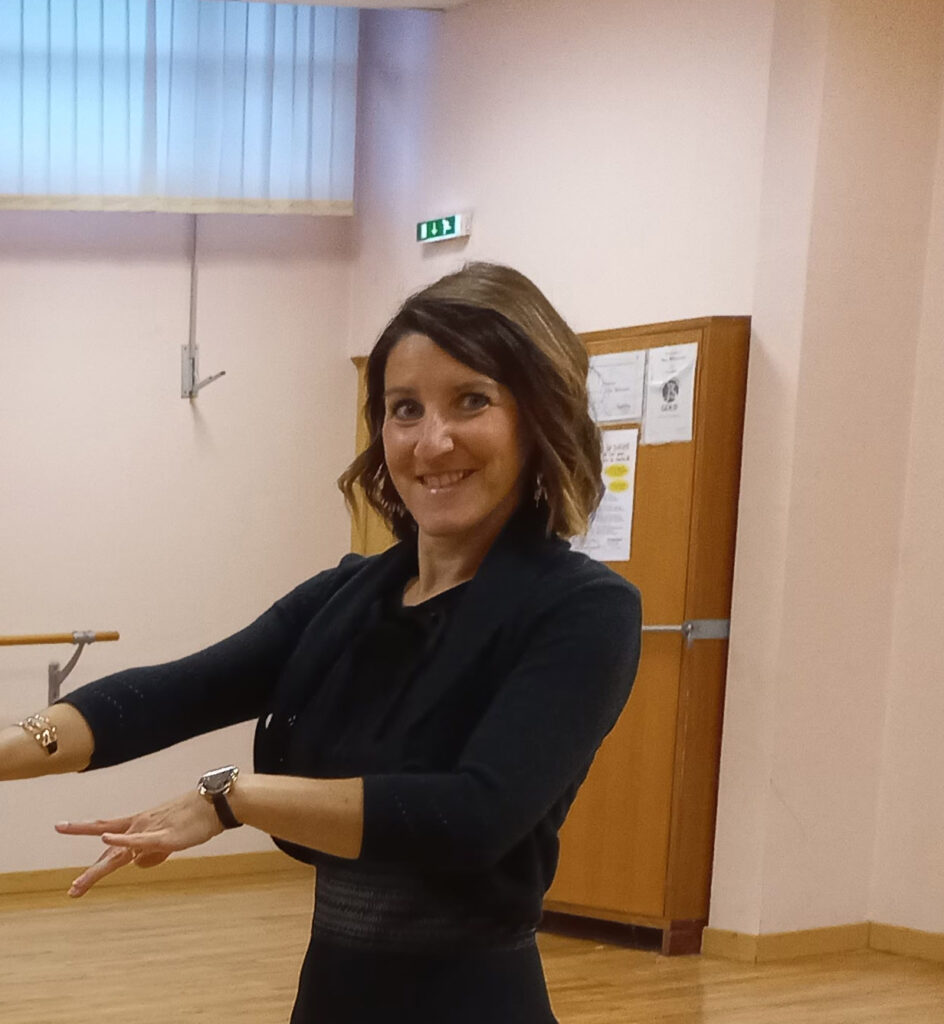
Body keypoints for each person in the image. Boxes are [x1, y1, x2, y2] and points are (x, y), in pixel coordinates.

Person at [0, 262, 642, 1023]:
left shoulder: (582, 610)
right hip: (332, 995)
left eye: (472, 400)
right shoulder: (349, 596)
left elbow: (475, 816)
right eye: (405, 409)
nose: (432, 441)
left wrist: (232, 799)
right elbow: (170, 694)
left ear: (537, 416)